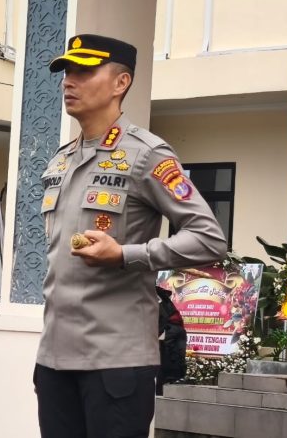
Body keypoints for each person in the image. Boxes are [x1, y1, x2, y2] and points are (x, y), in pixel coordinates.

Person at [35, 34, 227, 437]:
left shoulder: (147, 154)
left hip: (116, 361)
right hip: (54, 359)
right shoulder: (61, 160)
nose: (69, 81)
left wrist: (126, 254)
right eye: (67, 71)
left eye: (84, 71)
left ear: (121, 83)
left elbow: (209, 238)